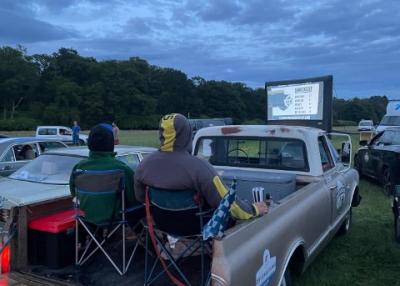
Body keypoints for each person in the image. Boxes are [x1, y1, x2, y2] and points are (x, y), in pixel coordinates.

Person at [134, 113, 268, 221]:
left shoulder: (144, 165)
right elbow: (227, 204)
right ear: (186, 135)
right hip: (195, 228)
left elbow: (140, 198)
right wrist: (254, 209)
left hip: (162, 224)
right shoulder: (200, 167)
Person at [69, 123, 142, 223]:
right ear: (112, 144)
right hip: (116, 218)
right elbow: (135, 199)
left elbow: (74, 195)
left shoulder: (78, 168)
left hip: (88, 217)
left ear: (89, 144)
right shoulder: (121, 168)